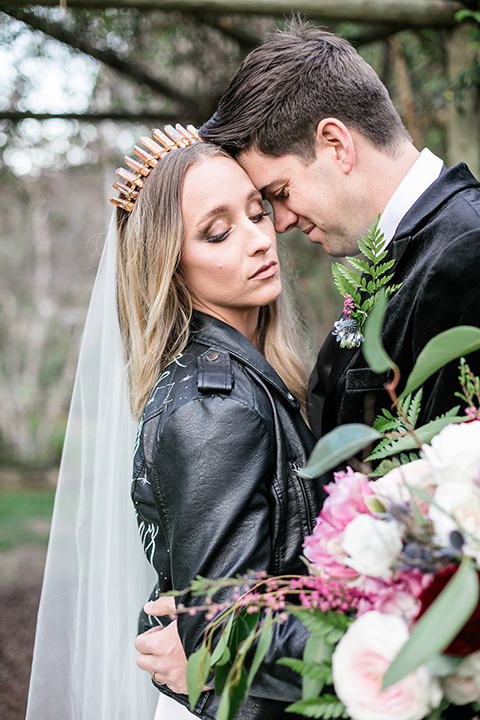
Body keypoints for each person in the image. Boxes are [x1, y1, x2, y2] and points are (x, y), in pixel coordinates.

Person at [138, 18, 480, 696]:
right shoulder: (406, 260)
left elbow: (454, 547)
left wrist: (228, 650)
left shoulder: (464, 260)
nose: (279, 225)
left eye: (278, 195)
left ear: (334, 143)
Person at [117, 129, 331, 719]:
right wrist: (386, 648)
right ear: (172, 266)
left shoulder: (251, 377)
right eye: (218, 232)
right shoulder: (218, 404)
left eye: (258, 212)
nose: (261, 240)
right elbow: (224, 627)